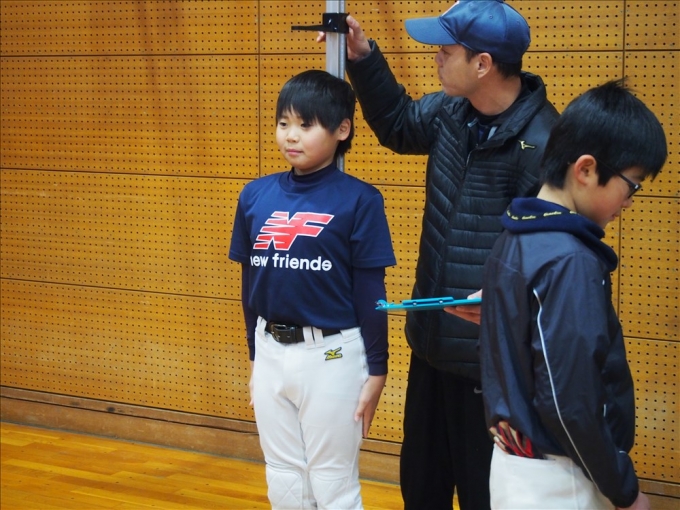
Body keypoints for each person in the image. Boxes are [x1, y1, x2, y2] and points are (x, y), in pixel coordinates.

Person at [318, 1, 559, 508]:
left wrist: (505, 299)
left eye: (446, 51)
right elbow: (398, 123)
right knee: (422, 489)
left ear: (483, 64)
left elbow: (549, 261)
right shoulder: (452, 111)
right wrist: (363, 57)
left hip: (489, 366)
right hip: (430, 349)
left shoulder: (542, 143)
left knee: (482, 495)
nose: (436, 59)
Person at [478, 80, 667, 510]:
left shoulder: (513, 237)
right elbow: (570, 404)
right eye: (632, 185)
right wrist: (623, 490)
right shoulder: (569, 260)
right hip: (559, 481)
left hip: (513, 470)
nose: (629, 201)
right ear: (585, 170)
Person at [228, 69, 396, 510]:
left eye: (306, 124)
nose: (291, 135)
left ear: (342, 130)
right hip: (270, 351)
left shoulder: (361, 200)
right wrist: (255, 356)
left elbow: (370, 292)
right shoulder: (254, 196)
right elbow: (250, 283)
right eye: (284, 123)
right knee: (283, 479)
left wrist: (377, 370)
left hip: (333, 357)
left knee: (333, 483)